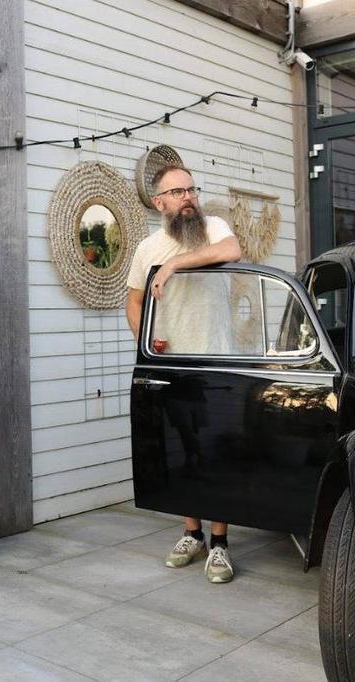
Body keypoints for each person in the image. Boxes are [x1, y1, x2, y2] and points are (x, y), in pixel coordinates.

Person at [125, 164, 243, 584]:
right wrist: (146, 341)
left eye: (191, 189)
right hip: (172, 366)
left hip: (219, 364)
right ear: (160, 203)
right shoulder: (147, 249)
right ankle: (192, 534)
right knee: (184, 449)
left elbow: (232, 250)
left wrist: (175, 264)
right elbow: (134, 302)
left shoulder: (213, 228)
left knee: (218, 453)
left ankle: (220, 543)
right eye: (177, 192)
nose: (188, 197)